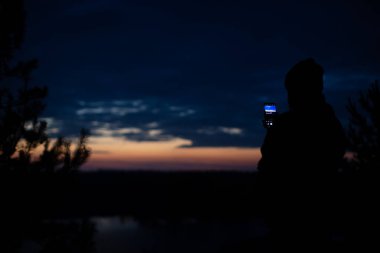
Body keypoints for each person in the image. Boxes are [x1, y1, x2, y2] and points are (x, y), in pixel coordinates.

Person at [257, 58, 346, 252]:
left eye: (292, 91)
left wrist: (275, 131)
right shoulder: (327, 119)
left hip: (297, 216)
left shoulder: (288, 125)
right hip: (318, 214)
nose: (289, 97)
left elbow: (269, 163)